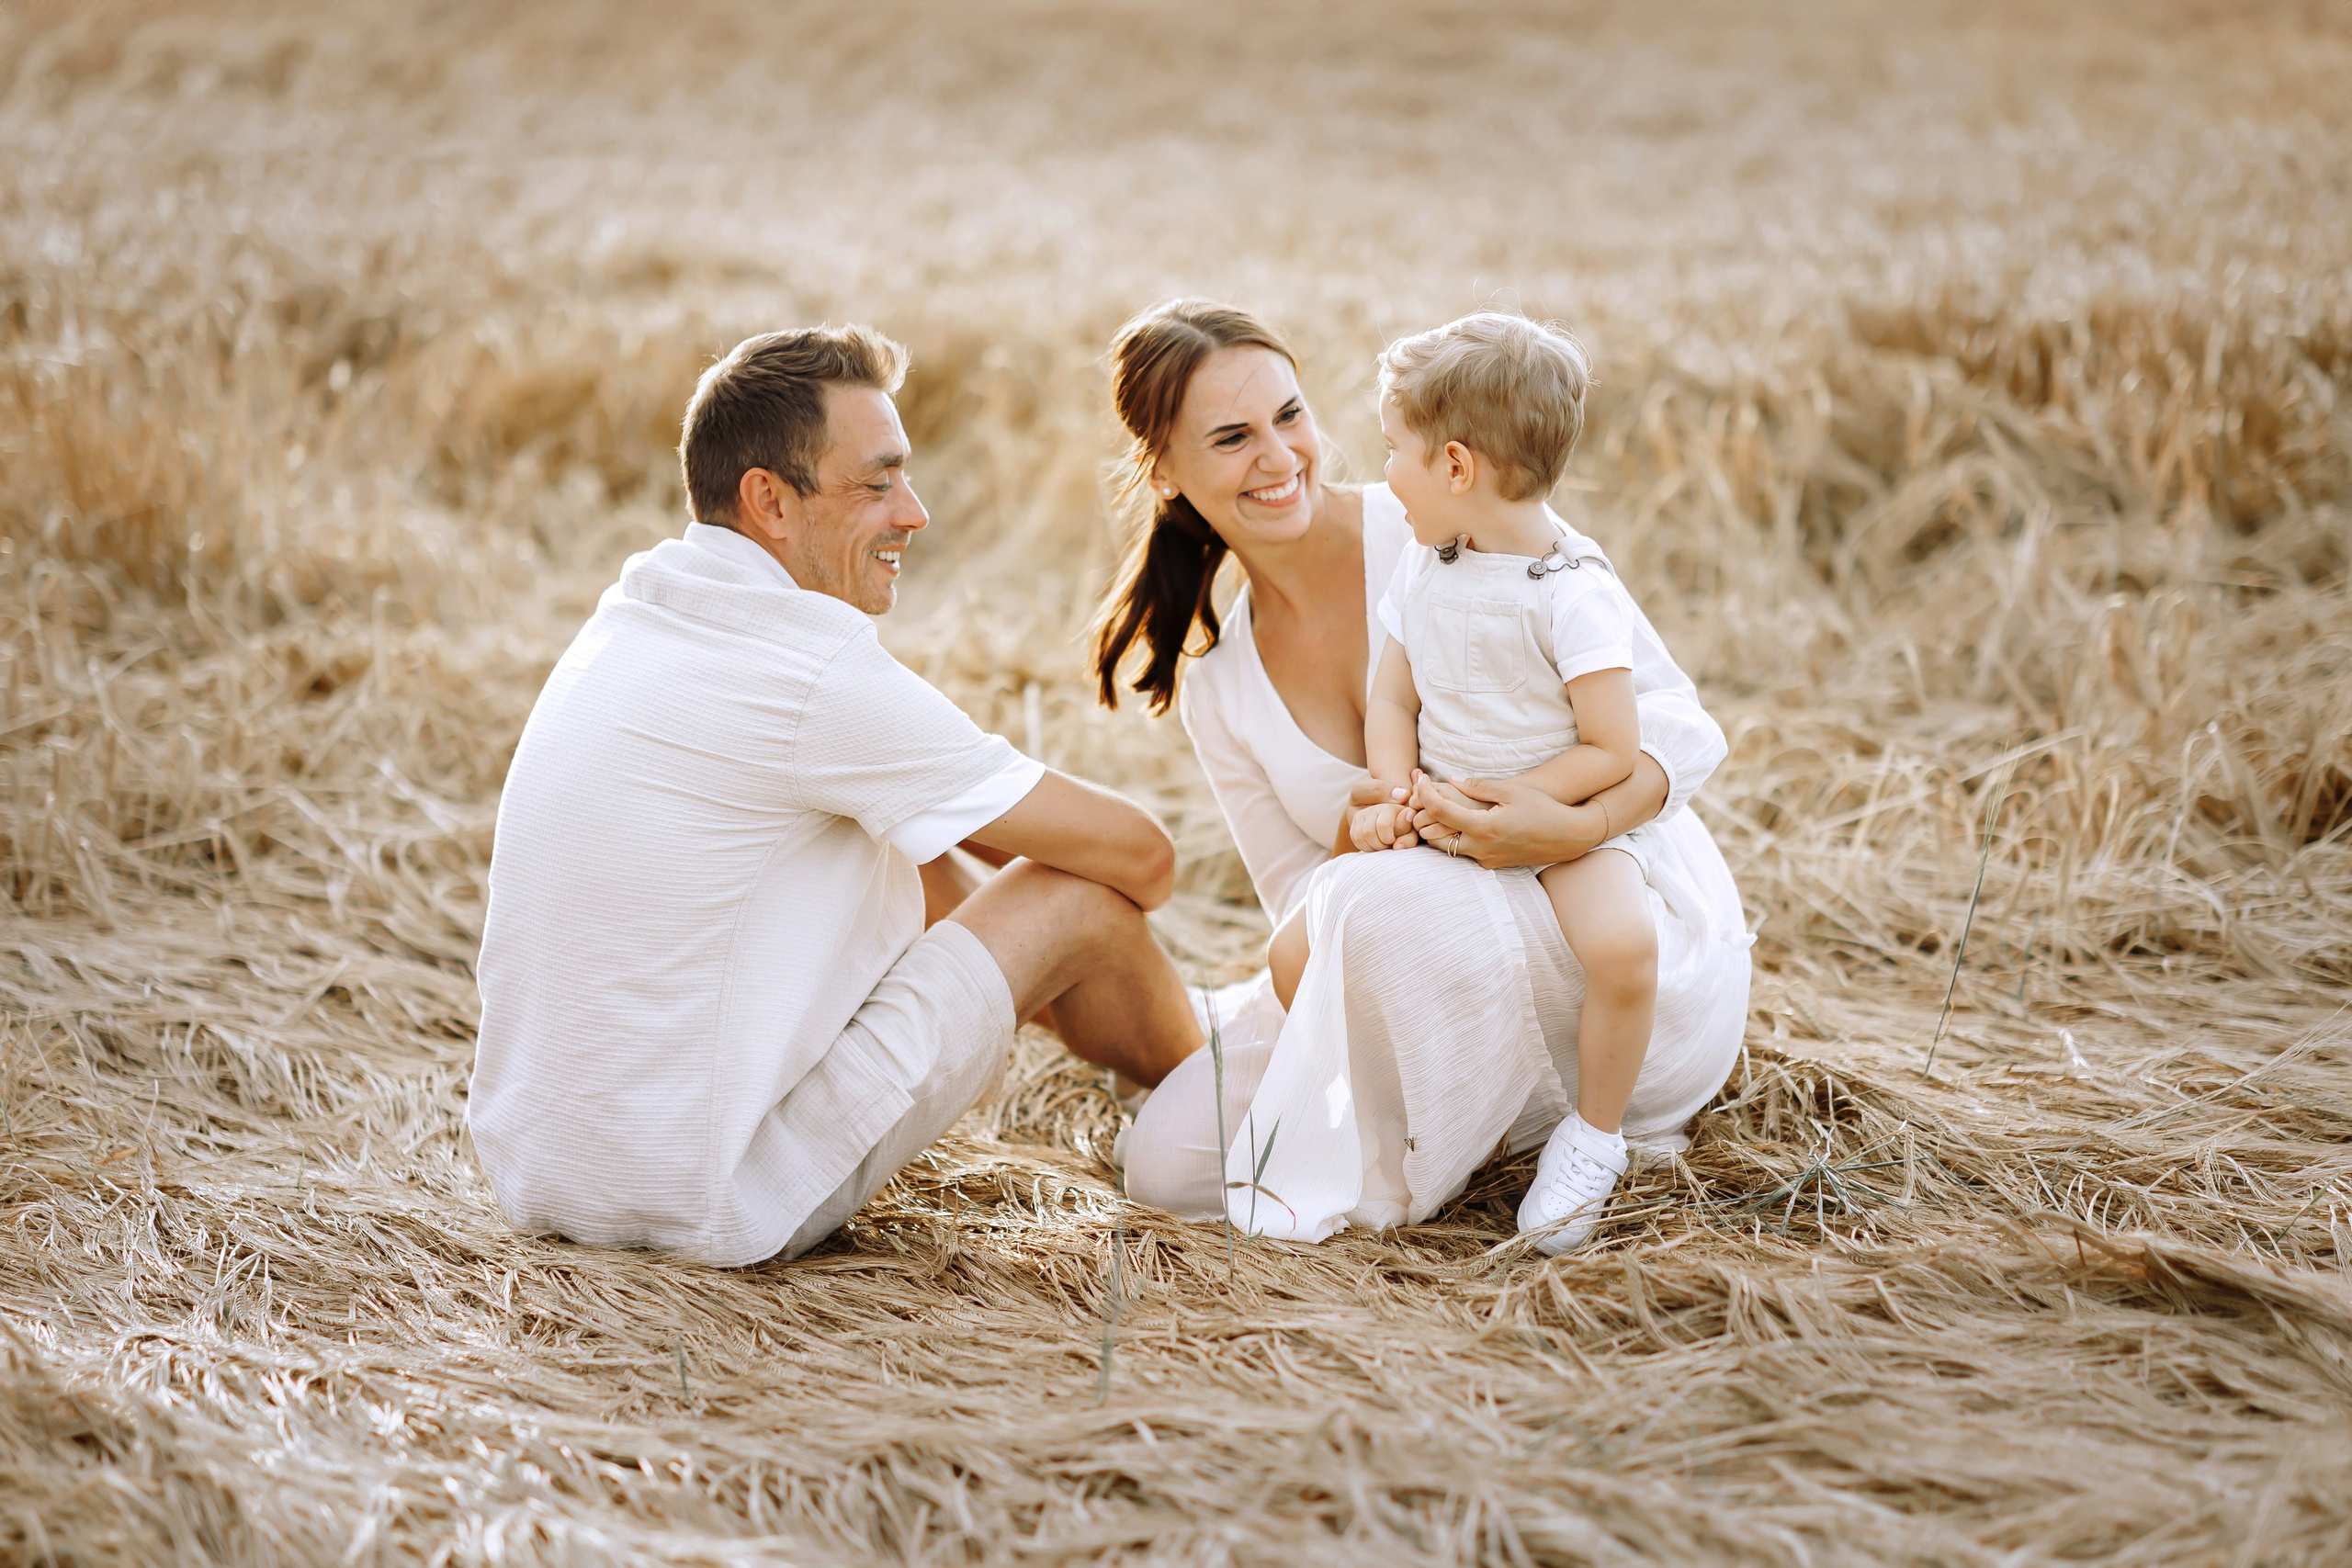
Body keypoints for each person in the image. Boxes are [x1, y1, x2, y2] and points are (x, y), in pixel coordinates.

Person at [469, 324, 1200, 1268]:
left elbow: (913, 836)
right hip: (709, 1196)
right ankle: (1226, 1106)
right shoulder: (811, 673)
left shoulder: (637, 615)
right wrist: (1036, 945)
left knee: (908, 833)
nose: (916, 513)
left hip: (541, 1174)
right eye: (876, 482)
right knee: (1078, 899)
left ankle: (1136, 1038)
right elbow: (1143, 856)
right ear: (768, 501)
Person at [1091, 299, 1753, 1247]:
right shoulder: (1221, 686)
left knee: (1369, 914)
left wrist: (1574, 827)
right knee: (1170, 1164)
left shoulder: (1443, 518)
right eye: (1231, 438)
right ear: (1165, 470)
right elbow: (1300, 907)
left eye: (1289, 416)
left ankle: (1563, 1128)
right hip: (1405, 955)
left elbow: (1679, 725)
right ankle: (1461, 1127)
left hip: (1600, 912)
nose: (1279, 459)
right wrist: (1353, 831)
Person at [1307, 311, 1691, 1252]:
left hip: (1548, 815)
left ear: (1453, 467)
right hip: (1440, 807)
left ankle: (1594, 1136)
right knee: (1335, 928)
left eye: (1391, 451)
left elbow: (1611, 745)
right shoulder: (1423, 567)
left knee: (1624, 951)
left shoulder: (1572, 591)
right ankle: (1416, 1125)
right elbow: (1390, 702)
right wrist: (1397, 792)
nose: (1382, 474)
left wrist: (1523, 807)